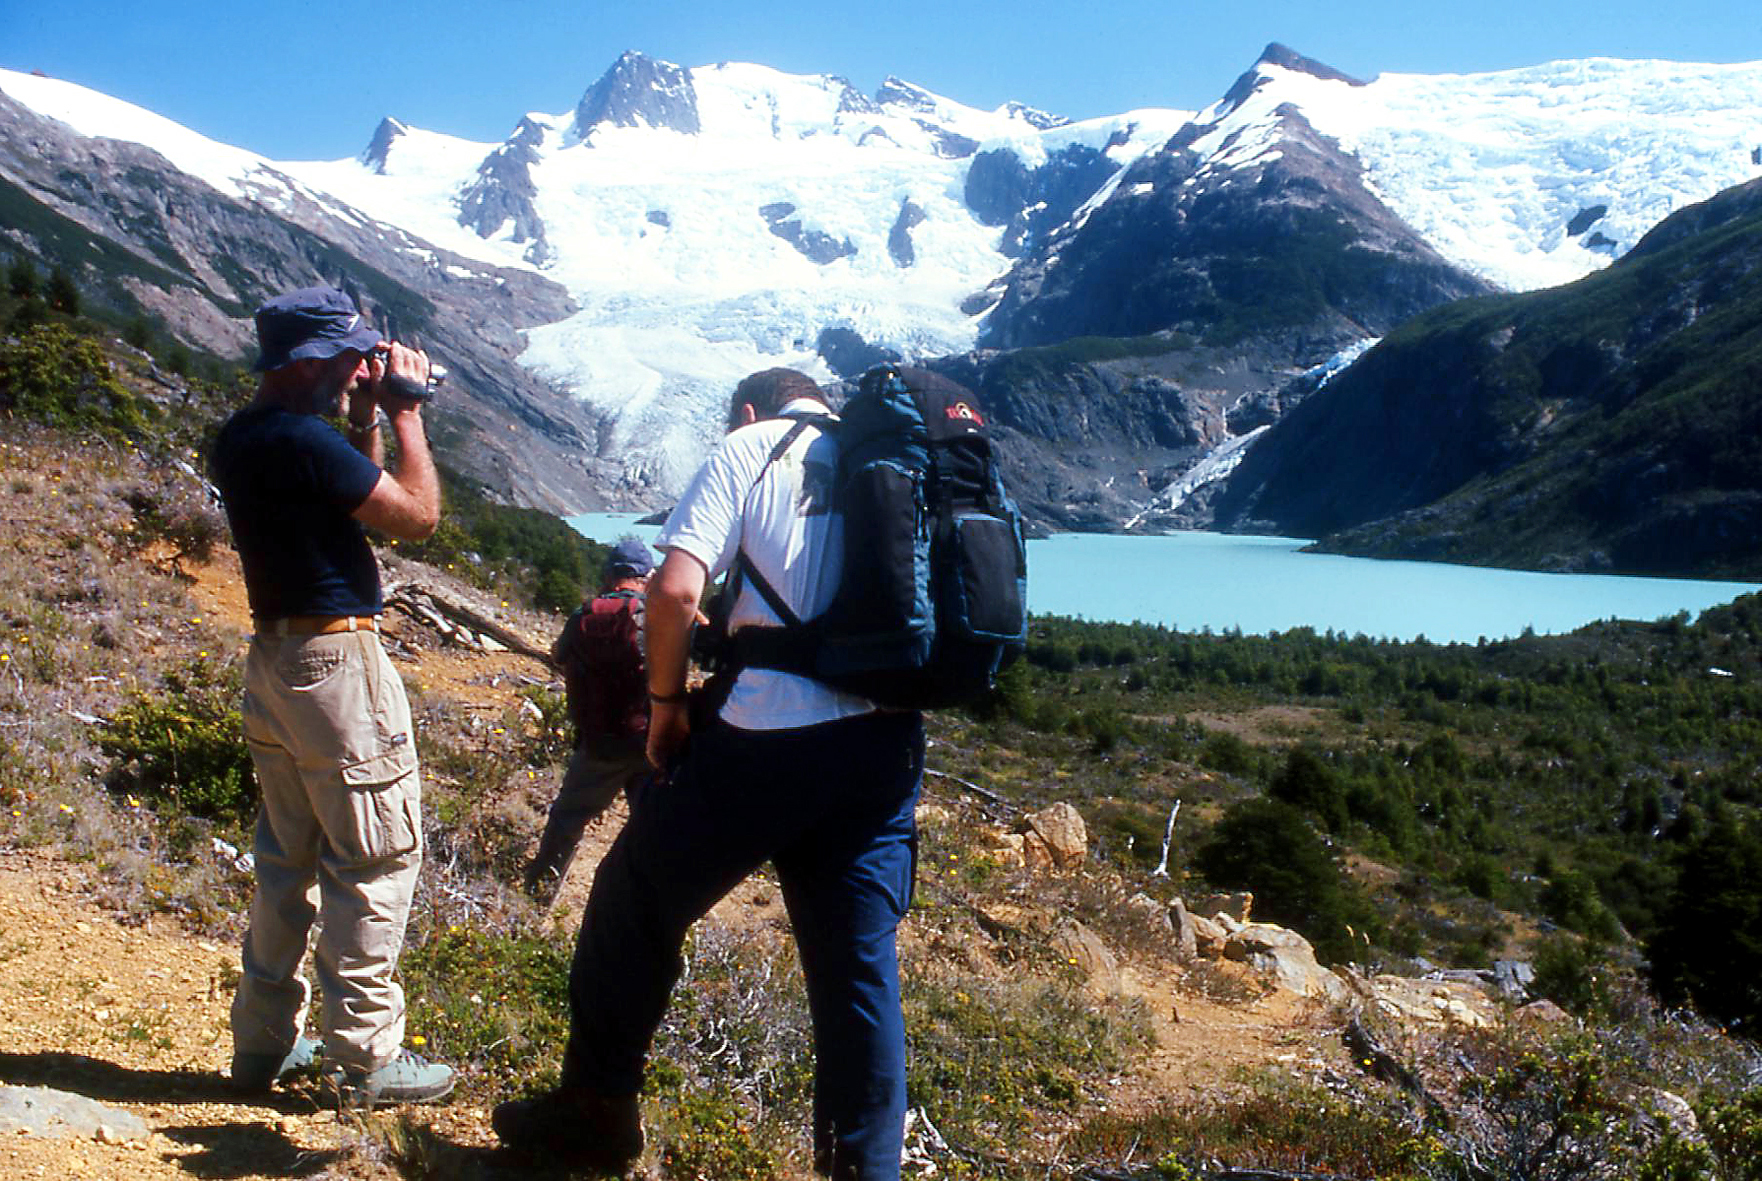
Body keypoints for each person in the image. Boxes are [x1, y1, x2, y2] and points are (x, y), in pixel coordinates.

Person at [493, 369, 925, 1178]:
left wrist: (665, 706)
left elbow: (674, 591)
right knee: (858, 973)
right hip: (884, 749)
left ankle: (596, 1110)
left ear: (749, 410)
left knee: (633, 897)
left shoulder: (754, 444)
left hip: (763, 738)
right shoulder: (889, 456)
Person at [210, 285, 455, 1108]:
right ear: (310, 359)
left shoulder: (246, 437)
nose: (361, 367)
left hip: (276, 661)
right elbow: (415, 516)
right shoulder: (302, 441)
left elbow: (353, 491)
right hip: (338, 666)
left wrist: (363, 418)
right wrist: (408, 411)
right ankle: (366, 1055)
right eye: (351, 356)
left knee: (288, 859)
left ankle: (263, 1041)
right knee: (375, 855)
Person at [523, 536, 657, 902]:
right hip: (652, 742)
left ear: (609, 574)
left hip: (599, 743)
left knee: (568, 818)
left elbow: (559, 656)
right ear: (646, 577)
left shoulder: (583, 615)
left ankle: (537, 898)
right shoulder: (656, 616)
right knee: (654, 829)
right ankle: (646, 908)